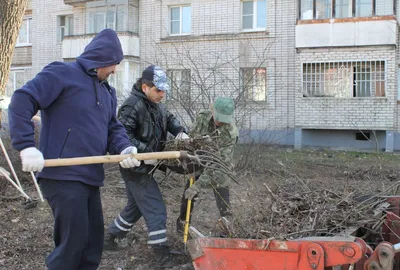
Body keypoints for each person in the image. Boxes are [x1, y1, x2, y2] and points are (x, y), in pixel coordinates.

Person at [8, 29, 140, 270]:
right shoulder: (62, 74)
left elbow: (112, 127)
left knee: (92, 245)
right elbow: (22, 99)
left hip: (90, 177)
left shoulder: (107, 92)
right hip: (61, 175)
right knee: (72, 245)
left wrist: (125, 148)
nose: (115, 70)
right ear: (101, 58)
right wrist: (26, 146)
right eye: (114, 64)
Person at [104, 65, 188, 268]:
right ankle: (161, 254)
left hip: (147, 164)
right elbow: (122, 135)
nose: (162, 94)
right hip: (134, 167)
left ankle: (109, 238)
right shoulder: (133, 105)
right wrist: (143, 155)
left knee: (135, 207)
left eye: (164, 90)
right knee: (155, 207)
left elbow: (168, 118)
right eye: (158, 90)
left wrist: (179, 132)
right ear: (145, 87)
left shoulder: (156, 104)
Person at [176, 97, 238, 234]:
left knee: (223, 198)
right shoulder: (203, 117)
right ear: (212, 109)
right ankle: (182, 227)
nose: (220, 121)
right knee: (189, 193)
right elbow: (191, 138)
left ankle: (226, 232)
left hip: (218, 165)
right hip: (199, 159)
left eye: (223, 119)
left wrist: (198, 186)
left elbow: (218, 163)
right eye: (218, 117)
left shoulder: (230, 132)